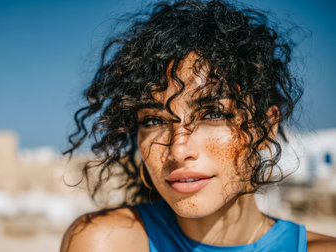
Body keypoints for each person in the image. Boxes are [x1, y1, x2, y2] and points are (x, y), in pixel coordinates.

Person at [61, 0, 336, 251]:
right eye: (154, 120)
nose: (178, 151)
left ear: (266, 126)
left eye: (213, 114)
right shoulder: (107, 243)